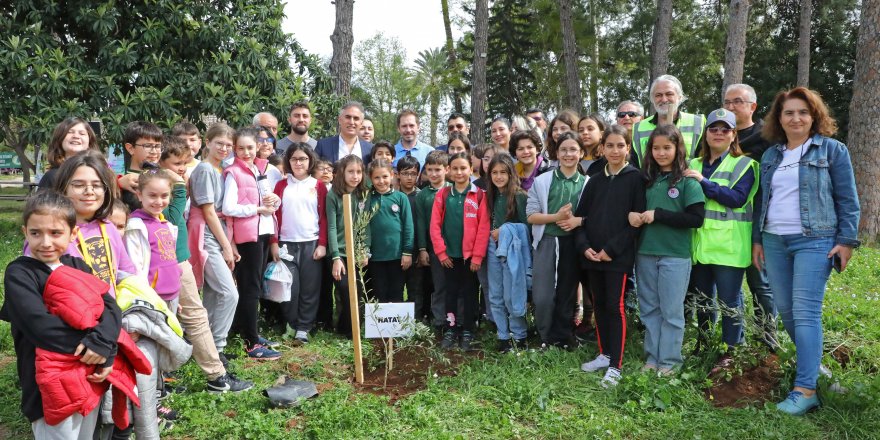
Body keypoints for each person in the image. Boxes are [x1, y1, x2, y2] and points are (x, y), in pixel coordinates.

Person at [752, 87, 860, 416]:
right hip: (774, 240)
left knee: (805, 311)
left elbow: (848, 198)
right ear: (779, 119)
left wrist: (846, 240)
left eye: (803, 112)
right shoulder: (772, 155)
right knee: (785, 311)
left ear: (814, 116)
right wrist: (758, 239)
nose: (796, 118)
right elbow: (762, 200)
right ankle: (816, 370)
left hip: (815, 239)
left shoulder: (832, 150)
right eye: (789, 113)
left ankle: (805, 389)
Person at [1, 191, 122, 439]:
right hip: (47, 383)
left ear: (73, 234)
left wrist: (105, 346)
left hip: (89, 375)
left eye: (56, 233)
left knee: (85, 434)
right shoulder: (20, 273)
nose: (46, 242)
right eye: (36, 233)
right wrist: (95, 350)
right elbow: (42, 328)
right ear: (25, 232)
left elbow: (110, 307)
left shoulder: (77, 265)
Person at [157, 140, 252, 392]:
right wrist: (225, 245)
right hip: (176, 253)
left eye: (183, 163)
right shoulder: (193, 177)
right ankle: (168, 375)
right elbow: (200, 212)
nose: (181, 168)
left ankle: (213, 369)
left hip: (180, 254)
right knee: (171, 316)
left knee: (196, 311)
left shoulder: (188, 180)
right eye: (176, 164)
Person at [682, 108, 758, 368]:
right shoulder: (692, 164)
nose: (718, 133)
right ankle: (703, 343)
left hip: (729, 247)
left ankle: (730, 351)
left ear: (733, 134)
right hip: (699, 245)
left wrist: (703, 181)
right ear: (706, 133)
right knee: (703, 300)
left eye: (725, 129)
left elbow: (736, 199)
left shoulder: (746, 165)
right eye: (713, 128)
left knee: (729, 302)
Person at [630, 125, 705, 374]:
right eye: (656, 148)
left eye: (667, 148)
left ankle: (670, 362)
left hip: (675, 254)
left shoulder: (686, 181)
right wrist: (634, 216)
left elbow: (696, 219)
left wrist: (658, 215)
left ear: (677, 148)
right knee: (649, 308)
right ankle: (652, 359)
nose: (661, 153)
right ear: (649, 151)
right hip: (645, 253)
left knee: (671, 311)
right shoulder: (646, 180)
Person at [576, 125, 646, 388]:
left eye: (620, 145)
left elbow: (636, 223)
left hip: (617, 257)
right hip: (593, 256)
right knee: (600, 305)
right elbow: (581, 219)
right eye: (610, 146)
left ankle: (616, 364)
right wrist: (585, 248)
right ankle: (604, 354)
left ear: (628, 148)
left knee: (615, 307)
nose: (615, 150)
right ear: (602, 148)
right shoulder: (594, 180)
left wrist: (611, 250)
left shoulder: (635, 179)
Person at [723, 83, 777, 349]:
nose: (731, 106)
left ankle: (768, 336)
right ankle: (735, 339)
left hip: (757, 220)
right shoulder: (719, 135)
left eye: (737, 101)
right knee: (729, 286)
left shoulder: (766, 137)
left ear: (752, 106)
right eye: (727, 102)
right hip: (723, 225)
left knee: (759, 282)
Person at [222, 126, 282, 360]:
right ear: (234, 149)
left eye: (250, 147)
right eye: (241, 148)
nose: (246, 152)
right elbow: (228, 208)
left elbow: (268, 201)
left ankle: (250, 332)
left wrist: (273, 201)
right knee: (249, 289)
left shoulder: (258, 169)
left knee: (254, 287)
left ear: (258, 146)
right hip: (248, 236)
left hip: (264, 232)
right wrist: (257, 209)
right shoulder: (233, 172)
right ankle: (251, 342)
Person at [527, 132, 588, 350]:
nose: (568, 154)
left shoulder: (588, 183)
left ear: (581, 153)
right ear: (557, 153)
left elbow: (593, 217)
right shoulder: (543, 181)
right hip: (547, 241)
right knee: (543, 295)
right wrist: (556, 217)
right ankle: (545, 335)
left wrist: (576, 222)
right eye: (564, 150)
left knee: (567, 292)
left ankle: (563, 337)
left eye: (573, 150)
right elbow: (531, 215)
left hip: (572, 244)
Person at [187, 123, 239, 364]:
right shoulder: (207, 170)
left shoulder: (220, 169)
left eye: (229, 145)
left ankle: (203, 346)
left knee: (212, 292)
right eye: (220, 143)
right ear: (207, 142)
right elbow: (208, 211)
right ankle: (217, 346)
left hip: (213, 231)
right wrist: (226, 246)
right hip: (206, 232)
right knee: (229, 294)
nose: (224, 148)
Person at [52, 150, 137, 297]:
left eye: (97, 185)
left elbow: (128, 273)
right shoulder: (49, 232)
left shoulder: (109, 227)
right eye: (78, 185)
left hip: (111, 314)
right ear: (63, 188)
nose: (89, 191)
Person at [431, 152, 490, 350]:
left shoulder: (479, 195)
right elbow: (435, 226)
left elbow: (484, 227)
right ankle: (451, 327)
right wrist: (441, 252)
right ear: (448, 170)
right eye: (454, 168)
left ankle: (468, 329)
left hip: (470, 258)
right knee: (451, 292)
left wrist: (477, 256)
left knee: (470, 292)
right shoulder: (443, 194)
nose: (459, 172)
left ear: (471, 169)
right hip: (449, 256)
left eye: (463, 168)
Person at [271, 142, 328, 346]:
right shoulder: (281, 185)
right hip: (286, 244)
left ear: (310, 160)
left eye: (302, 158)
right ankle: (291, 324)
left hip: (311, 243)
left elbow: (324, 218)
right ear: (288, 161)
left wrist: (322, 244)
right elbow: (274, 216)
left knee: (310, 289)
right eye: (294, 158)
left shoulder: (318, 186)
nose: (298, 162)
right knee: (289, 289)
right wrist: (274, 242)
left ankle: (304, 328)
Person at [485, 153, 530, 352]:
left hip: (513, 252)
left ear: (511, 173)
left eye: (503, 172)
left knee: (512, 293)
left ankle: (519, 335)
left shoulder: (519, 196)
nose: (499, 176)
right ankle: (503, 335)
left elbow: (527, 228)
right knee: (495, 294)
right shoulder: (490, 195)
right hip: (492, 248)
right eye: (494, 172)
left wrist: (505, 230)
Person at [326, 155, 371, 338]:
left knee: (359, 290)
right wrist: (336, 257)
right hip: (340, 252)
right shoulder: (333, 195)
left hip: (358, 251)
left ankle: (355, 330)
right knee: (344, 289)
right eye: (351, 171)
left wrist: (364, 250)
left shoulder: (363, 194)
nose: (355, 176)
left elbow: (365, 224)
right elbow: (331, 226)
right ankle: (345, 329)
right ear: (342, 172)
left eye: (359, 172)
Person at [631, 75, 706, 168]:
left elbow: (706, 159)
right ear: (652, 99)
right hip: (650, 181)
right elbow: (635, 164)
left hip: (686, 180)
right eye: (658, 95)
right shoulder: (639, 128)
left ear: (680, 97)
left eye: (669, 94)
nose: (664, 99)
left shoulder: (698, 123)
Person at [366, 159, 414, 302]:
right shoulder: (368, 199)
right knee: (378, 292)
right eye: (377, 177)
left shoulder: (401, 197)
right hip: (375, 257)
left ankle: (397, 324)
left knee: (396, 291)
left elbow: (408, 226)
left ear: (392, 175)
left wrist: (407, 252)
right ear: (371, 179)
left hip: (397, 256)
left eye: (385, 176)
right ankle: (379, 324)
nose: (381, 181)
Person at [415, 151, 451, 332]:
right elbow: (420, 223)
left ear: (447, 169)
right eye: (430, 170)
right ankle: (439, 321)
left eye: (438, 170)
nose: (434, 174)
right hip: (434, 248)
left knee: (457, 285)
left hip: (456, 247)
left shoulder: (454, 189)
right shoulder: (422, 196)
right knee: (439, 285)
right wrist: (422, 249)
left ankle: (458, 320)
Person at [396, 156, 426, 318]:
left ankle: (416, 321)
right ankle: (398, 323)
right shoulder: (393, 196)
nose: (409, 177)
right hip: (396, 251)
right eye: (405, 173)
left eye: (413, 174)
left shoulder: (421, 197)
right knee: (397, 287)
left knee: (416, 288)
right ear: (397, 174)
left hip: (416, 250)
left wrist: (421, 250)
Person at [40, 117, 100, 189]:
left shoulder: (100, 174)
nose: (76, 136)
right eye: (70, 132)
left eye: (82, 133)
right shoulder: (52, 176)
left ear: (89, 142)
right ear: (60, 139)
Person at [120, 121, 164, 211]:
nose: (154, 151)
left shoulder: (162, 175)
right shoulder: (128, 184)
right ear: (131, 148)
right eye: (148, 146)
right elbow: (171, 217)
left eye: (158, 146)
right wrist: (180, 187)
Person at [315, 101, 373, 166]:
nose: (351, 122)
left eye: (356, 118)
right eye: (348, 117)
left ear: (361, 123)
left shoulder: (370, 149)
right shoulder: (323, 146)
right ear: (339, 120)